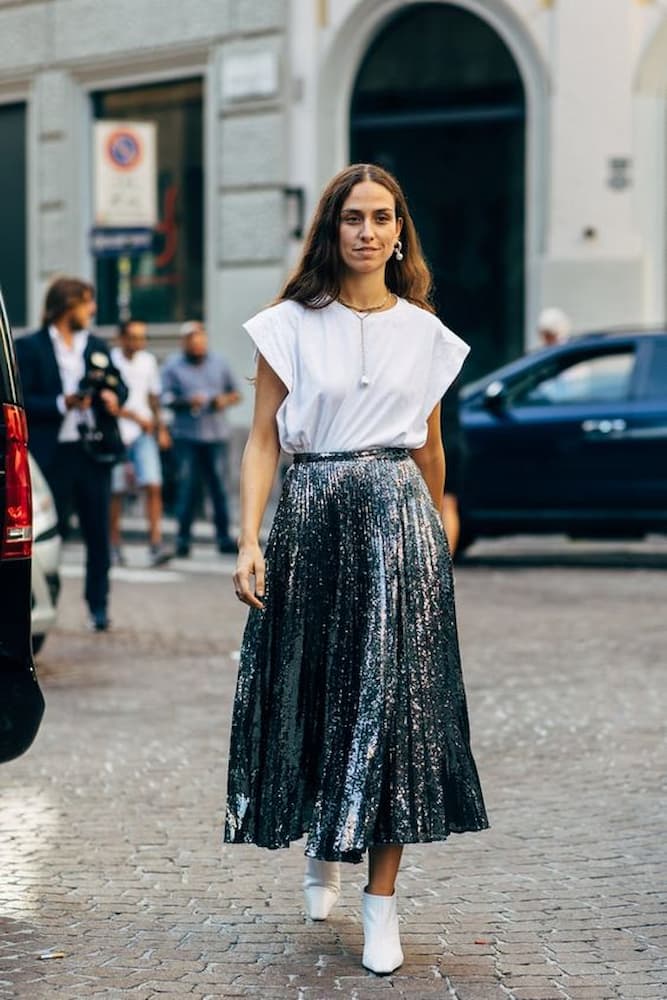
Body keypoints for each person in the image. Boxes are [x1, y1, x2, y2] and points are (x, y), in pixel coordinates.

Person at [224, 164, 488, 975]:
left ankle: (381, 906)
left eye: (380, 217)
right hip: (310, 513)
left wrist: (434, 530)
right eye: (351, 217)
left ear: (398, 230)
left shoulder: (426, 333)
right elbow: (264, 438)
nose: (367, 231)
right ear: (331, 230)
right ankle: (322, 848)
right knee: (316, 687)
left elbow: (431, 446)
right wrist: (248, 538)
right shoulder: (289, 325)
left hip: (397, 519)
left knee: (395, 708)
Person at [15, 277, 127, 631]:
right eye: (87, 303)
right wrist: (61, 403)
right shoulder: (30, 346)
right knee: (49, 534)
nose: (92, 310)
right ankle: (39, 604)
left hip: (92, 451)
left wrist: (113, 397)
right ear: (68, 305)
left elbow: (118, 383)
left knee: (98, 534)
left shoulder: (96, 345)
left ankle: (98, 607)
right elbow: (22, 399)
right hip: (51, 455)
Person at [161, 321, 240, 557]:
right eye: (193, 344)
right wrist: (187, 402)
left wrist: (221, 401)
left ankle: (224, 538)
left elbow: (235, 394)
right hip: (186, 437)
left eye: (201, 343)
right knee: (187, 488)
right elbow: (164, 398)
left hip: (216, 436)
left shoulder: (219, 362)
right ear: (184, 343)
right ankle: (183, 540)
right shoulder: (172, 366)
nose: (198, 347)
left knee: (219, 489)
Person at [109, 319, 172, 568]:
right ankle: (114, 544)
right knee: (116, 491)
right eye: (133, 337)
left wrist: (162, 429)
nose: (139, 342)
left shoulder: (148, 361)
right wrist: (134, 416)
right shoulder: (111, 359)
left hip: (144, 433)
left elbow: (153, 397)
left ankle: (155, 543)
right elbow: (108, 402)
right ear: (122, 338)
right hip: (116, 432)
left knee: (154, 484)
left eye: (142, 337)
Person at [440, 376, 467, 557]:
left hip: (436, 443)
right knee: (449, 504)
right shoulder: (451, 372)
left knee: (445, 504)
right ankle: (445, 563)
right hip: (454, 441)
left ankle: (441, 565)